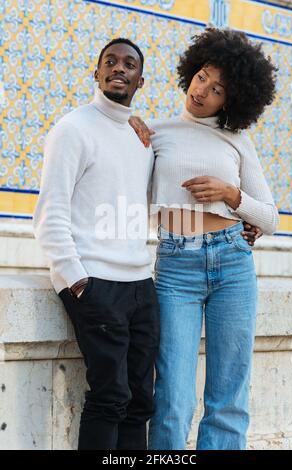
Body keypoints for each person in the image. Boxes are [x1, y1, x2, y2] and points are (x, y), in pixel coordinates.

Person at [129, 27, 279, 450]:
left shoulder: (237, 142)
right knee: (173, 393)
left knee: (228, 395)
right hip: (176, 265)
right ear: (191, 72)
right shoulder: (153, 133)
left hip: (232, 262)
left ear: (231, 100)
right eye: (202, 78)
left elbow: (270, 218)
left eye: (217, 89)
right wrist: (128, 123)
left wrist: (231, 195)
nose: (203, 91)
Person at [33, 38, 160, 450]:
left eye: (129, 64)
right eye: (110, 61)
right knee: (110, 396)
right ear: (97, 73)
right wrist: (75, 278)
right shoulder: (73, 128)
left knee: (140, 400)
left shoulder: (143, 139)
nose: (118, 68)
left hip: (141, 285)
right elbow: (50, 211)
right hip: (95, 283)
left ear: (141, 81)